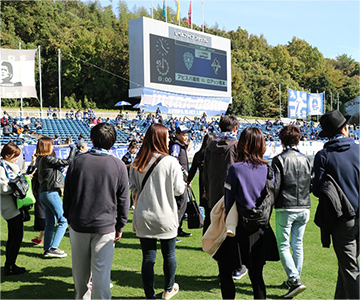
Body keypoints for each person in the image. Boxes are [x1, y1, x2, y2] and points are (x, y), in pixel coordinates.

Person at [63, 123, 129, 299]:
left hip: (80, 224)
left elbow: (67, 193)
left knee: (80, 272)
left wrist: (68, 216)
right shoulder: (118, 165)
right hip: (103, 225)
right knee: (101, 274)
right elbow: (124, 200)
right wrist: (121, 225)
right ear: (113, 141)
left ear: (92, 139)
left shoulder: (78, 161)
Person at [220, 127, 279, 299]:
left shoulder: (236, 169)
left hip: (238, 228)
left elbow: (228, 200)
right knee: (256, 276)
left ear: (243, 144)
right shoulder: (268, 170)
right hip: (261, 228)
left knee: (225, 271)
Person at [129, 124, 186, 300]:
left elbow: (133, 189)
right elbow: (179, 190)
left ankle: (149, 294)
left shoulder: (137, 161)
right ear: (161, 139)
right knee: (169, 254)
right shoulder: (171, 162)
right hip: (166, 215)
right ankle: (168, 288)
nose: (169, 139)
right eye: (167, 137)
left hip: (144, 215)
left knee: (148, 257)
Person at [312, 110, 359, 299]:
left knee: (350, 270)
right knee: (346, 266)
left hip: (342, 220)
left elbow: (317, 189)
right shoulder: (358, 150)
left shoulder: (323, 155)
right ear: (345, 129)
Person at [203, 115, 246, 280]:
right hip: (232, 195)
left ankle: (224, 270)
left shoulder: (210, 146)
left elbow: (205, 171)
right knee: (233, 231)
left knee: (221, 232)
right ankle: (237, 267)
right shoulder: (237, 146)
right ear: (235, 128)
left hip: (215, 194)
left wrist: (207, 191)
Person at [271, 125, 311, 298]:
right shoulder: (306, 159)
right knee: (298, 244)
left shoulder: (279, 159)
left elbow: (276, 185)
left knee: (284, 245)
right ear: (298, 139)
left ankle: (294, 279)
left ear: (281, 140)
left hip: (286, 206)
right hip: (304, 205)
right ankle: (294, 278)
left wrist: (270, 203)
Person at [35, 136, 76, 258]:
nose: (53, 146)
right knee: (63, 220)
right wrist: (73, 149)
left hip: (44, 193)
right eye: (51, 144)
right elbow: (68, 161)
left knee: (50, 224)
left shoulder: (40, 159)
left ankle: (47, 249)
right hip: (51, 193)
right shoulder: (47, 159)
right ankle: (53, 248)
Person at [0, 142, 26, 275]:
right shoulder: (2, 167)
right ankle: (10, 266)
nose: (16, 158)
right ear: (8, 155)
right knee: (15, 237)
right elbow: (3, 188)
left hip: (14, 205)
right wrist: (17, 187)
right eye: (15, 156)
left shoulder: (9, 166)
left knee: (14, 237)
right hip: (9, 207)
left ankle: (10, 264)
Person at [187, 133, 216, 235]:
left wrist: (188, 181)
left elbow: (192, 171)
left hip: (203, 188)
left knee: (208, 215)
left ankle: (206, 238)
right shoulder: (215, 155)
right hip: (214, 188)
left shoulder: (198, 155)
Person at [169, 125, 192, 239]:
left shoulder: (181, 146)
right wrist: (185, 173)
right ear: (177, 135)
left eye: (187, 134)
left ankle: (178, 229)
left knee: (182, 205)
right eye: (183, 134)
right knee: (179, 205)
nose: (186, 137)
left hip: (182, 180)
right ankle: (174, 230)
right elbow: (174, 161)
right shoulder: (176, 146)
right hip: (178, 180)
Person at [122, 140, 139, 209]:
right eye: (132, 148)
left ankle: (133, 204)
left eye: (135, 148)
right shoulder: (126, 156)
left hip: (135, 175)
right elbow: (122, 166)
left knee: (134, 190)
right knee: (126, 190)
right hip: (127, 175)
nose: (133, 150)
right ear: (129, 148)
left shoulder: (138, 156)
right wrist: (129, 165)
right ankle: (124, 204)